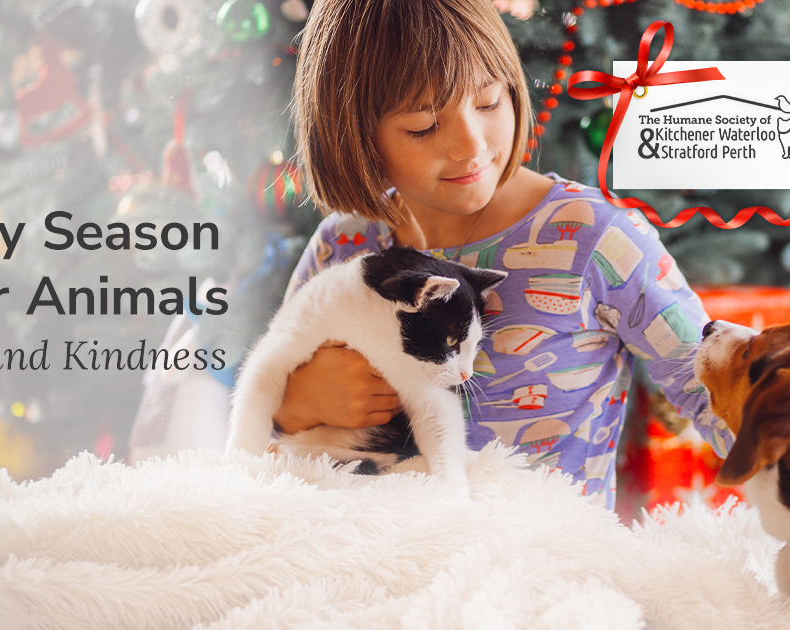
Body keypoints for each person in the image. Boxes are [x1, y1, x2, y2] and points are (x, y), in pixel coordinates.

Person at [275, 0, 732, 509]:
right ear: (355, 134)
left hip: (544, 570)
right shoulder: (345, 244)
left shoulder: (597, 238)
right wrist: (294, 404)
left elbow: (714, 392)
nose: (471, 146)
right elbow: (270, 442)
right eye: (423, 126)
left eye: (490, 102)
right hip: (377, 562)